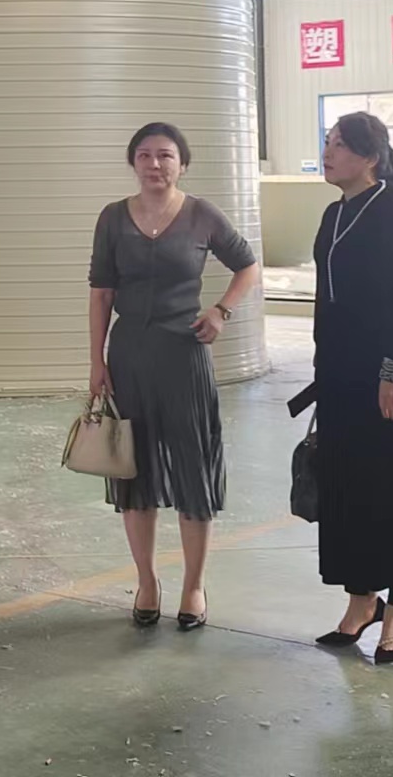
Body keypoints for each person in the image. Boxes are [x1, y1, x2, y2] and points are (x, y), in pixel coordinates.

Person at [88, 122, 261, 631]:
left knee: (193, 469)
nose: (154, 164)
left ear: (182, 163)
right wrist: (97, 361)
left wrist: (222, 311)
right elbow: (101, 292)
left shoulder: (202, 214)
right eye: (144, 155)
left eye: (165, 155)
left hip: (185, 356)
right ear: (133, 163)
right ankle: (146, 582)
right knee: (134, 471)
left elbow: (248, 266)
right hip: (129, 357)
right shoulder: (112, 218)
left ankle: (193, 587)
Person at [310, 112, 393, 665]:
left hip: (388, 376)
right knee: (348, 485)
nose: (328, 153)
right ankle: (362, 598)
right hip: (339, 376)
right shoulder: (333, 213)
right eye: (328, 142)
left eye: (340, 145)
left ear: (369, 158)